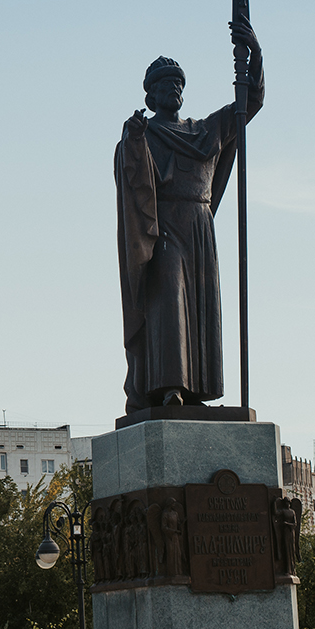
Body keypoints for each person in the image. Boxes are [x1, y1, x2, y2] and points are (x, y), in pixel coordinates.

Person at [115, 22, 262, 412]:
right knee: (168, 299)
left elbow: (250, 104)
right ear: (151, 95)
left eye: (178, 84)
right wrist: (132, 141)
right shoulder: (143, 135)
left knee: (201, 308)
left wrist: (254, 54)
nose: (173, 90)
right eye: (164, 85)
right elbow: (132, 180)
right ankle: (169, 388)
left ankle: (196, 389)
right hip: (162, 229)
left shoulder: (203, 131)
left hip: (200, 226)